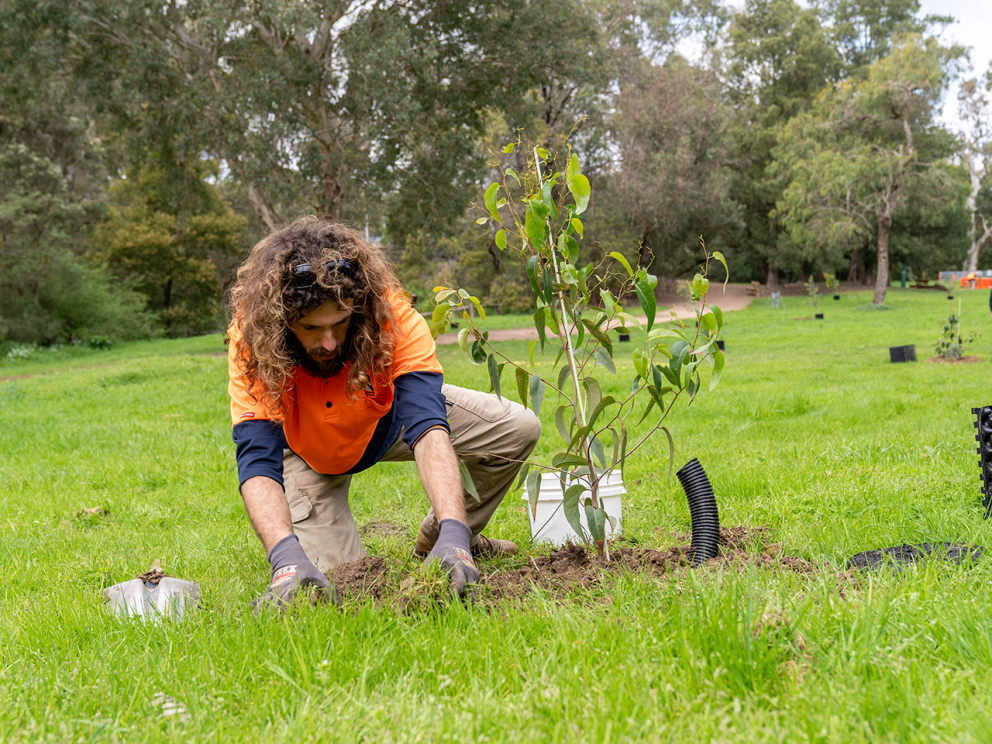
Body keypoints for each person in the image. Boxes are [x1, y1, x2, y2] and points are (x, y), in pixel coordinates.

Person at [227, 218, 541, 612]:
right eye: (311, 327)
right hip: (308, 453)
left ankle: (443, 539)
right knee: (344, 585)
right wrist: (284, 558)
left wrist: (456, 534)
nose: (328, 341)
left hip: (388, 421)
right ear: (283, 322)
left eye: (339, 323)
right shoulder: (252, 338)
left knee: (517, 428)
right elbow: (257, 459)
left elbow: (428, 423)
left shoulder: (390, 312)